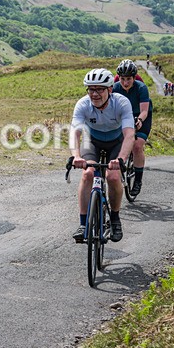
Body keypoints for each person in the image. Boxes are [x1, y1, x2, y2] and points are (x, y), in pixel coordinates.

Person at [70, 68, 135, 243]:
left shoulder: (122, 103)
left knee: (113, 176)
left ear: (110, 90)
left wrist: (120, 159)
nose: (95, 94)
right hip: (92, 142)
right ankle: (84, 223)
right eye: (91, 89)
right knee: (88, 173)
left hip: (116, 142)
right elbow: (75, 133)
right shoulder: (83, 104)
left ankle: (114, 218)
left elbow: (129, 135)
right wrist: (76, 156)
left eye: (99, 89)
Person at [113, 59, 152, 196]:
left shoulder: (141, 88)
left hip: (140, 116)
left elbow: (144, 111)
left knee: (136, 145)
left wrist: (140, 120)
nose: (125, 82)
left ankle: (138, 181)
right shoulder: (115, 88)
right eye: (122, 79)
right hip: (124, 117)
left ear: (134, 78)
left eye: (129, 79)